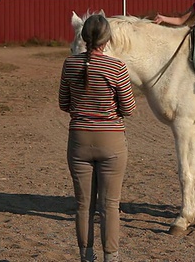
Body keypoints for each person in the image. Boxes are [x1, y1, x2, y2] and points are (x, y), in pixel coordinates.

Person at [59, 14, 136, 262]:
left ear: (83, 37)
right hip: (111, 140)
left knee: (83, 205)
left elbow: (63, 103)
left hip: (79, 140)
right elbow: (129, 108)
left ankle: (86, 256)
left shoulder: (69, 64)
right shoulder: (117, 67)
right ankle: (110, 257)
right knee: (110, 205)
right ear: (108, 38)